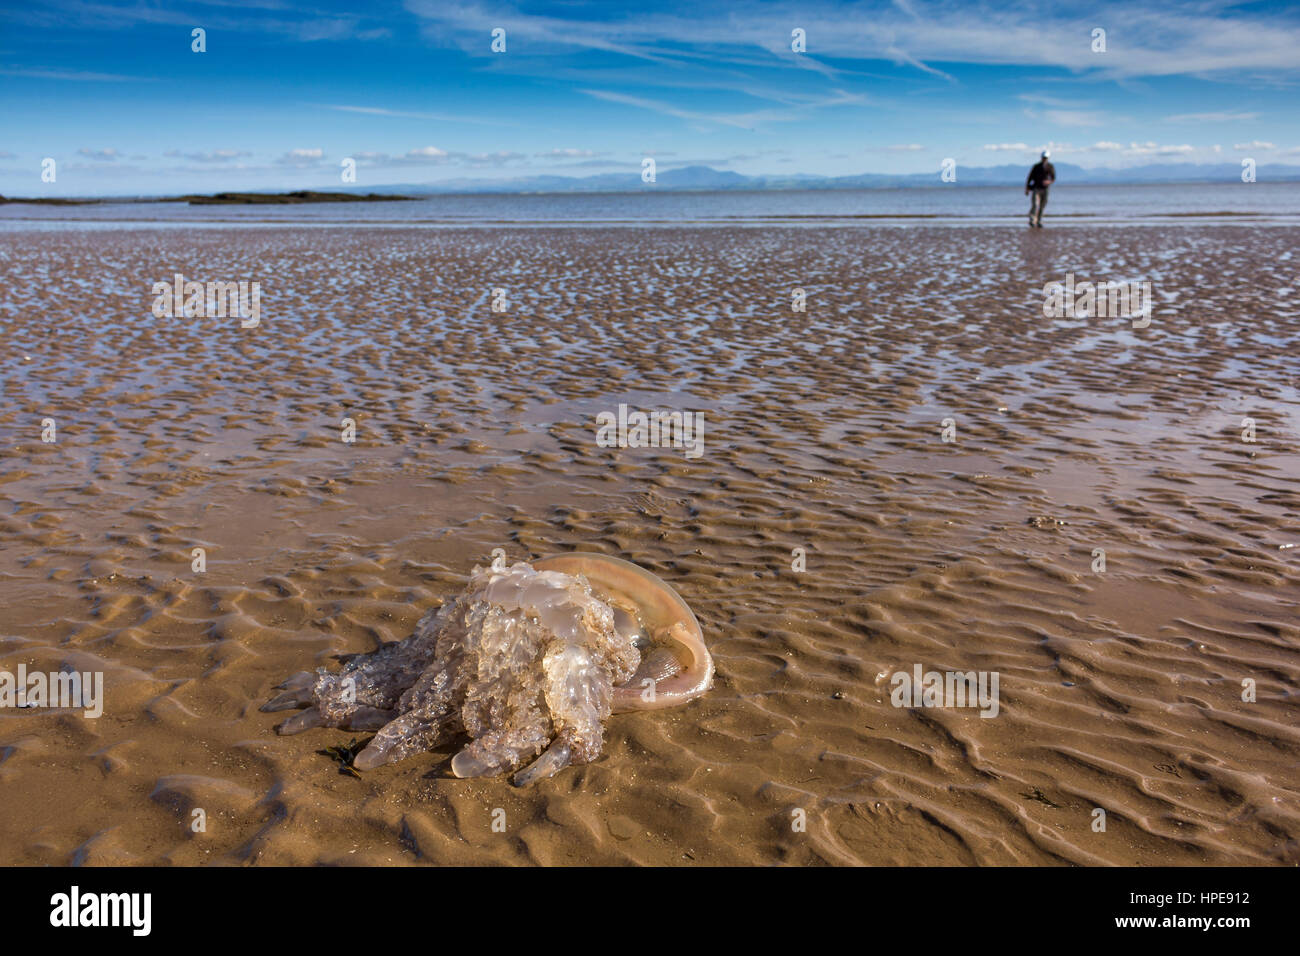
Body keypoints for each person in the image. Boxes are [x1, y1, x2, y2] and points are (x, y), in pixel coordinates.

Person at [1025, 150, 1056, 227]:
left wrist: (1048, 182)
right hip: (1036, 188)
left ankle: (1039, 221)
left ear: (1048, 158)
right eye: (1043, 157)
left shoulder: (1050, 166)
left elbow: (1053, 178)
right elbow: (1030, 177)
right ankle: (1032, 220)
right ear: (1041, 157)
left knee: (1042, 205)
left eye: (1046, 158)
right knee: (1035, 205)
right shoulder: (1036, 166)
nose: (1044, 159)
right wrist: (1027, 188)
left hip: (1045, 189)